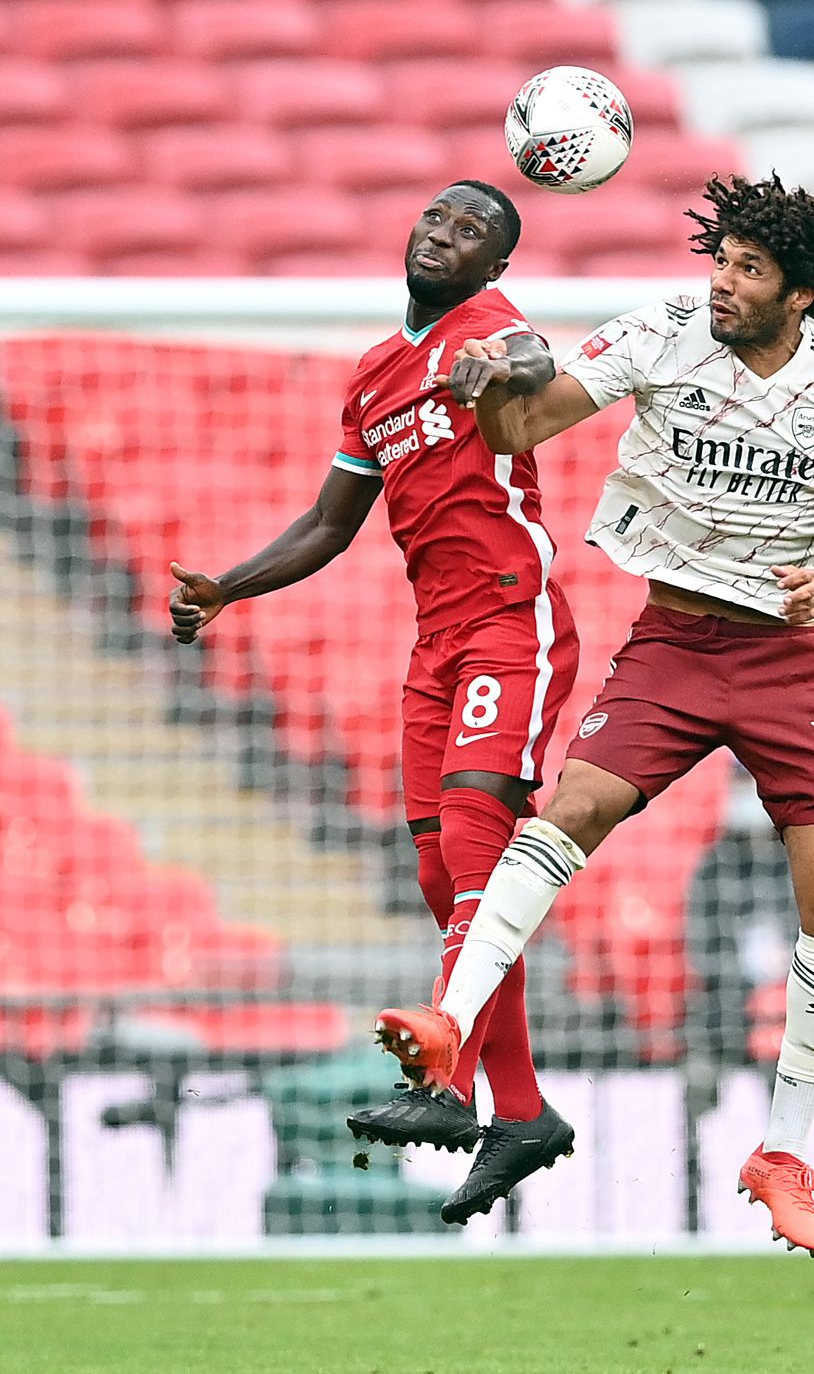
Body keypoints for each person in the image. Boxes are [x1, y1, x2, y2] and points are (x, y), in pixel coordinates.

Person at [374, 173, 814, 1254]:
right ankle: (449, 1023)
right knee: (566, 808)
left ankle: (782, 1150)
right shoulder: (663, 329)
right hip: (672, 642)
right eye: (721, 259)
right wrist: (491, 384)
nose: (722, 282)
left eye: (749, 270)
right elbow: (534, 415)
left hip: (787, 658)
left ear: (799, 294)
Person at [167, 180, 580, 1226]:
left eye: (474, 231)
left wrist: (507, 366)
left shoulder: (491, 328)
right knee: (444, 872)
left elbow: (537, 364)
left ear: (496, 267)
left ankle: (445, 1083)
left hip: (507, 612)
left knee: (483, 839)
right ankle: (521, 1110)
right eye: (439, 218)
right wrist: (228, 585)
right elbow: (328, 523)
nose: (446, 235)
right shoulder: (373, 377)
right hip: (433, 640)